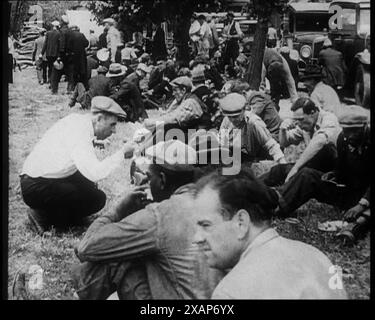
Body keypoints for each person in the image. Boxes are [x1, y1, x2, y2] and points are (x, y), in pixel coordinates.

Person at [73, 140, 223, 299]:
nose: (146, 182)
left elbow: (86, 248)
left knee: (116, 258)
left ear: (162, 180)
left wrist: (118, 211)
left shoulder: (160, 215)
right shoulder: (214, 203)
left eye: (149, 177)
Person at [193, 170, 348, 299]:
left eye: (206, 225)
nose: (197, 238)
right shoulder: (316, 256)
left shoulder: (231, 292)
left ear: (241, 223)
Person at [20, 96, 136, 234]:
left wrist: (94, 142)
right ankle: (44, 216)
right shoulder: (82, 132)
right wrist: (122, 153)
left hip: (33, 178)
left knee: (90, 187)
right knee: (96, 199)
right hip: (36, 187)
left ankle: (49, 211)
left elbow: (64, 143)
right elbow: (95, 173)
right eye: (112, 124)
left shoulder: (77, 120)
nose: (114, 130)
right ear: (98, 119)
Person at [276, 106, 370, 244]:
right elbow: (342, 167)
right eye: (346, 130)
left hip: (366, 198)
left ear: (364, 127)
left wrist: (361, 205)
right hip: (349, 191)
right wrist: (335, 174)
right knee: (307, 175)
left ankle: (356, 227)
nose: (349, 135)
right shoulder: (343, 139)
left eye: (353, 131)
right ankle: (277, 207)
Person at [261, 97, 342, 187]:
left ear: (312, 113)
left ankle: (279, 196)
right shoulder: (306, 124)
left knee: (301, 172)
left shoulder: (329, 118)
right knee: (279, 170)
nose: (298, 123)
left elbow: (320, 141)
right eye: (296, 120)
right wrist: (282, 130)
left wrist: (296, 168)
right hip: (314, 166)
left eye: (301, 119)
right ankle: (252, 186)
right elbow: (284, 143)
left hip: (333, 169)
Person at [218, 93, 286, 165]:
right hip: (236, 155)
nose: (232, 120)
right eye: (230, 117)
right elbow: (222, 143)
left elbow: (271, 145)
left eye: (236, 117)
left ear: (244, 110)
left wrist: (282, 164)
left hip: (256, 158)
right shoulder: (226, 120)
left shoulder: (254, 122)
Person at [66, 25, 89, 91]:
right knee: (82, 72)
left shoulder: (70, 35)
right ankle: (84, 87)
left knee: (73, 73)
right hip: (81, 56)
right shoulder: (81, 35)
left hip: (73, 56)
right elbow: (86, 43)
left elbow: (68, 46)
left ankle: (72, 88)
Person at [41, 21, 60, 90]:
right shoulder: (58, 33)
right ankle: (52, 82)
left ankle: (49, 80)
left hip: (48, 54)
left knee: (50, 68)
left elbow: (45, 44)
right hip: (55, 54)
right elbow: (59, 45)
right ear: (57, 26)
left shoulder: (48, 33)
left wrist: (42, 53)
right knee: (54, 69)